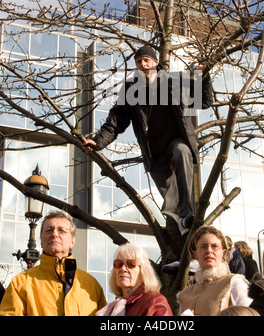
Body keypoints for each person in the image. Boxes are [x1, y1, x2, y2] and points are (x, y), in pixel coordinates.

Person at [83, 45, 213, 235]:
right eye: (139, 62)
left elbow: (204, 101)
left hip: (176, 141)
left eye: (147, 60)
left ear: (155, 63)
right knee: (170, 204)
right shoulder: (131, 90)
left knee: (182, 151)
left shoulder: (174, 82)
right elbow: (117, 119)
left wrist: (205, 77)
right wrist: (98, 141)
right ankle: (182, 239)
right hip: (155, 154)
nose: (143, 64)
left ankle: (187, 214)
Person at [0, 211, 106, 316]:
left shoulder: (91, 285)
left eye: (61, 230)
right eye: (49, 230)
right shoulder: (20, 283)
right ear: (41, 241)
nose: (54, 234)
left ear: (73, 241)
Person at [178, 226, 252, 316]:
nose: (209, 251)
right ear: (195, 253)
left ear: (223, 253)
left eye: (215, 246)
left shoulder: (234, 283)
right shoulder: (184, 295)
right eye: (203, 246)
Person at [96, 243, 173, 316]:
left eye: (130, 264)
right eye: (118, 264)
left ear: (143, 271)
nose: (123, 269)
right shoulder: (113, 307)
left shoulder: (154, 301)